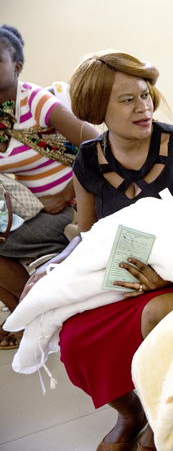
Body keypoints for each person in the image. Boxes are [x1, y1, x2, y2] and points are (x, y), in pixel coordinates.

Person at [23, 50, 173, 451]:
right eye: (127, 99)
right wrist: (53, 268)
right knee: (75, 334)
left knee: (157, 311)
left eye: (145, 95)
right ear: (99, 107)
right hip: (125, 278)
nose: (143, 106)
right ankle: (129, 412)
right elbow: (87, 234)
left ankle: (159, 415)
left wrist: (168, 276)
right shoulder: (88, 160)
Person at [0, 24, 98, 349]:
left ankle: (32, 322)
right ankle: (31, 323)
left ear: (17, 66)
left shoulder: (35, 101)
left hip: (73, 208)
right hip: (34, 210)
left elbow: (97, 144)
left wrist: (67, 193)